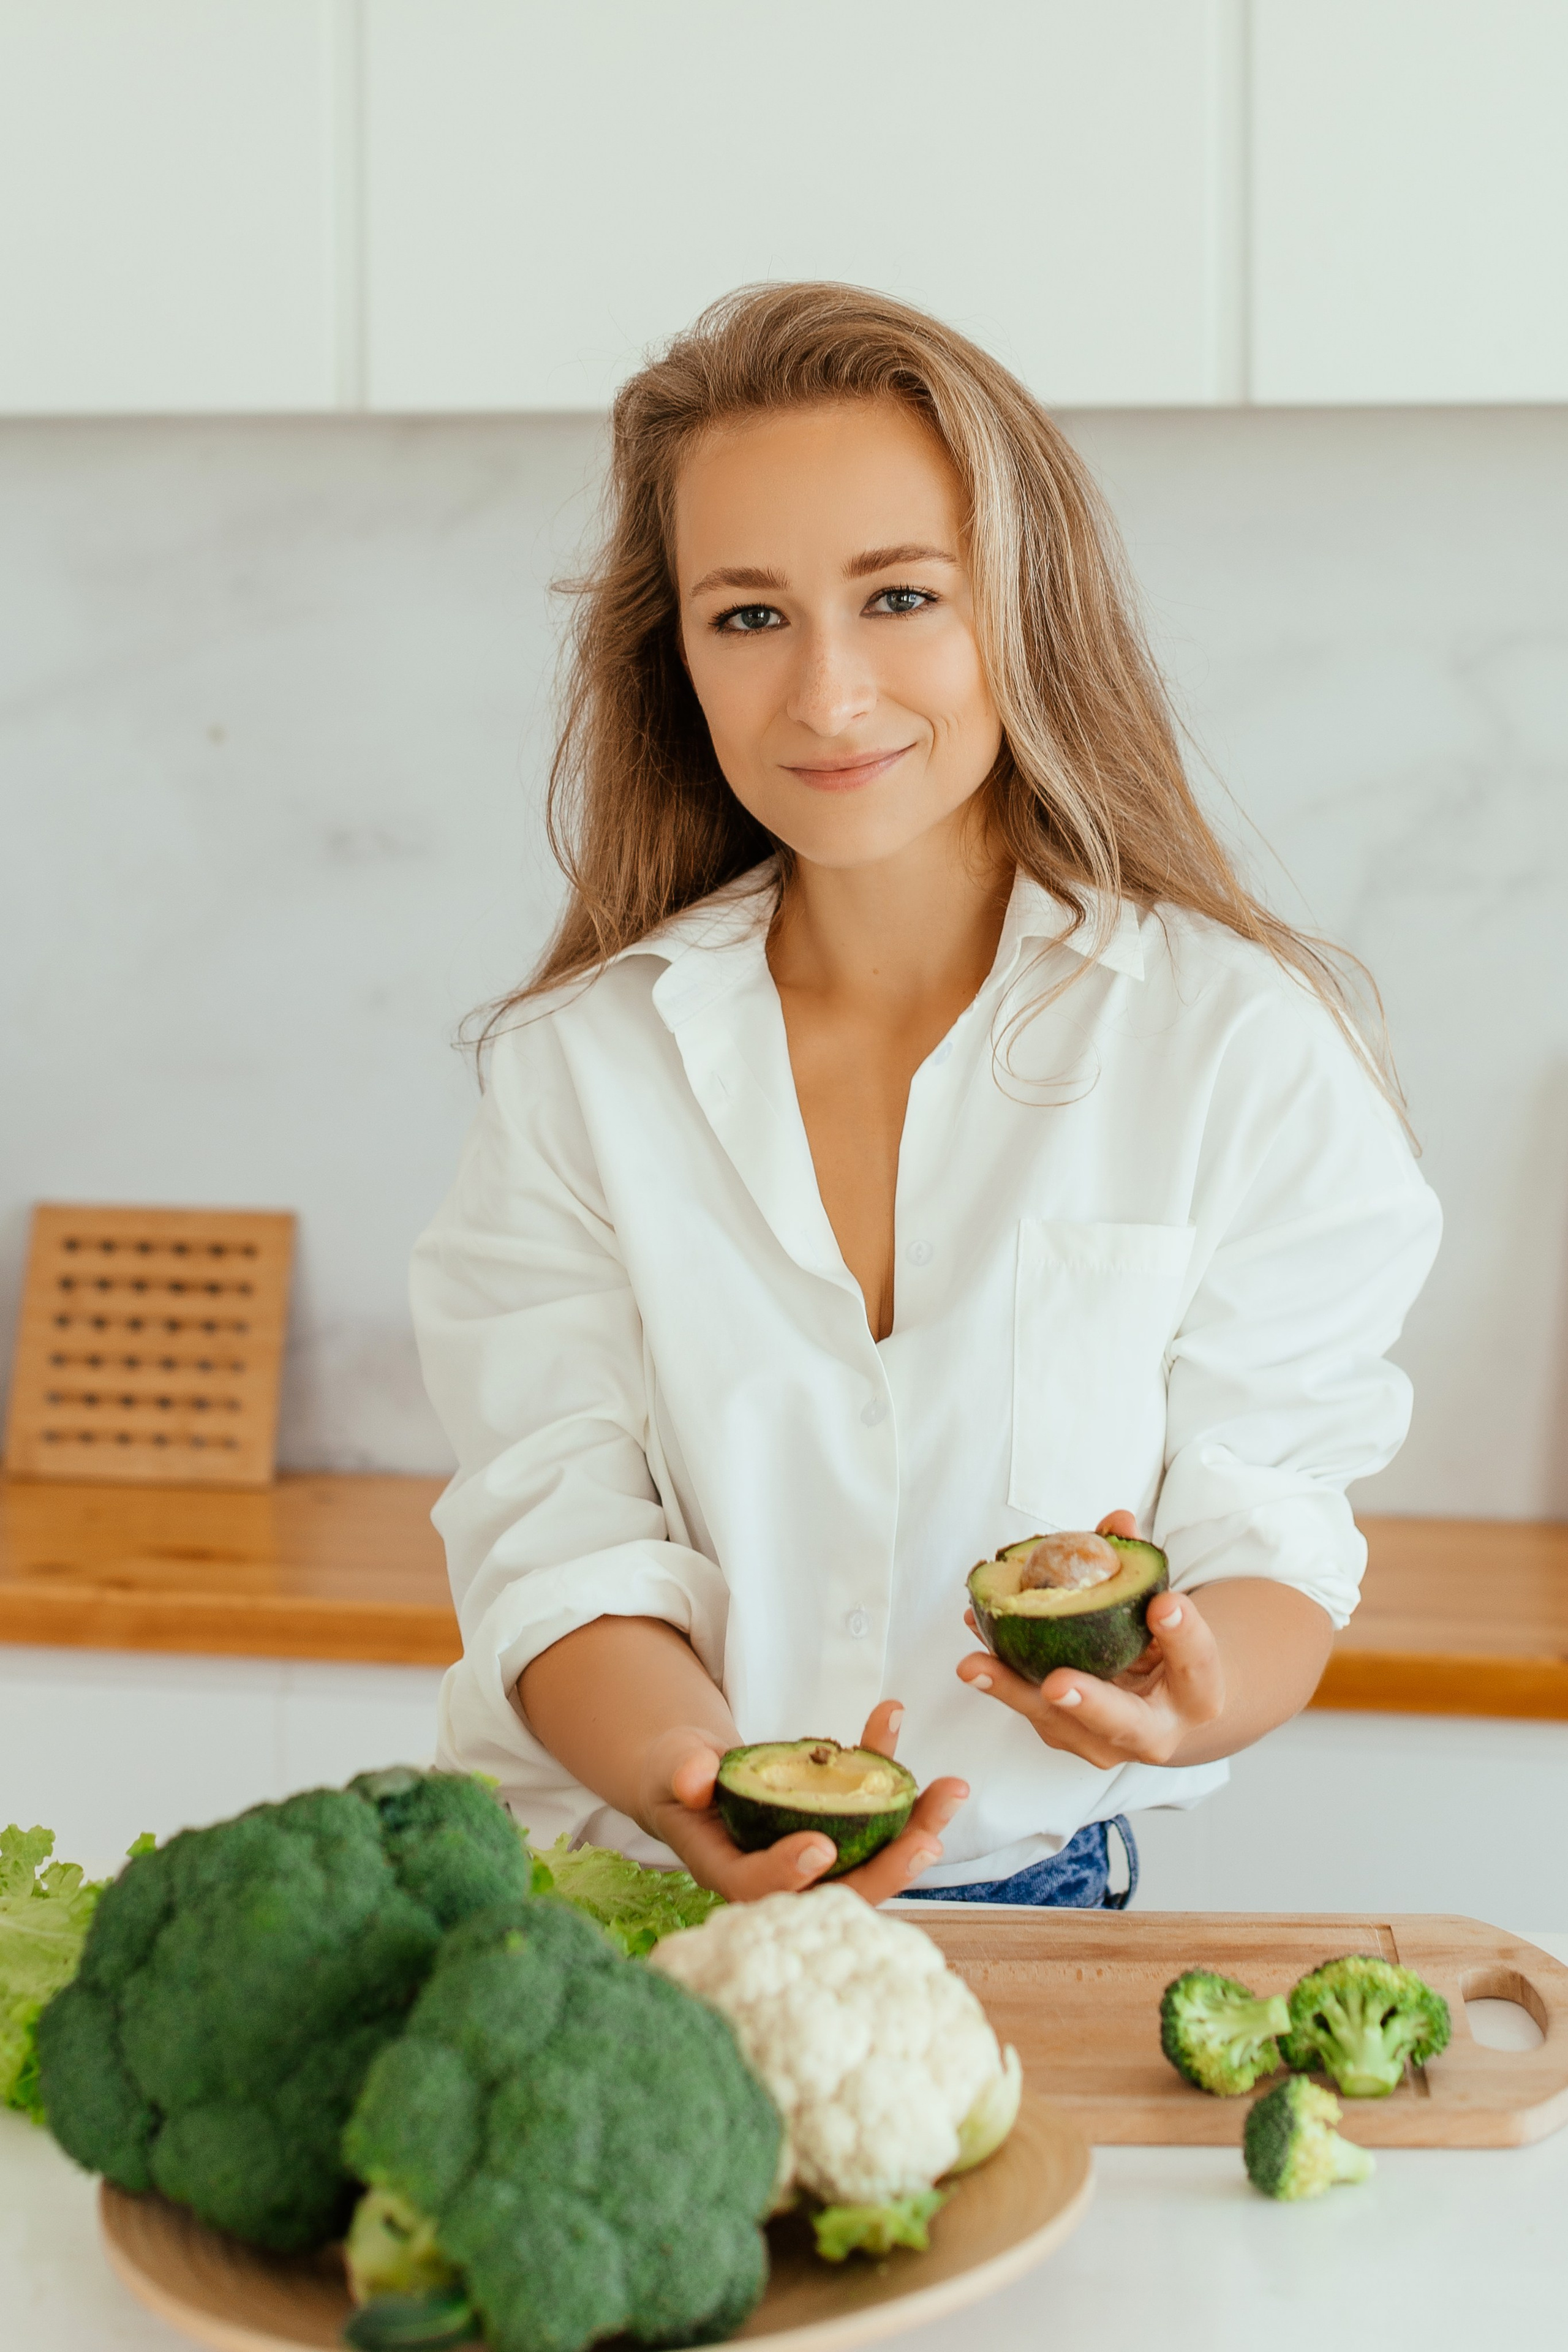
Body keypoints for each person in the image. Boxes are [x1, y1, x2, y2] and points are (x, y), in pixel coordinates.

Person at [410, 284, 1440, 1910]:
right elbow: (557, 1532)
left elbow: (1275, 1506)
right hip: (624, 1902)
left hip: (1034, 1903)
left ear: (1025, 607)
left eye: (900, 596)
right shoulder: (584, 1064)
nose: (827, 695)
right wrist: (702, 1789)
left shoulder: (1238, 1041)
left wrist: (1192, 1689)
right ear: (673, 657)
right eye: (748, 617)